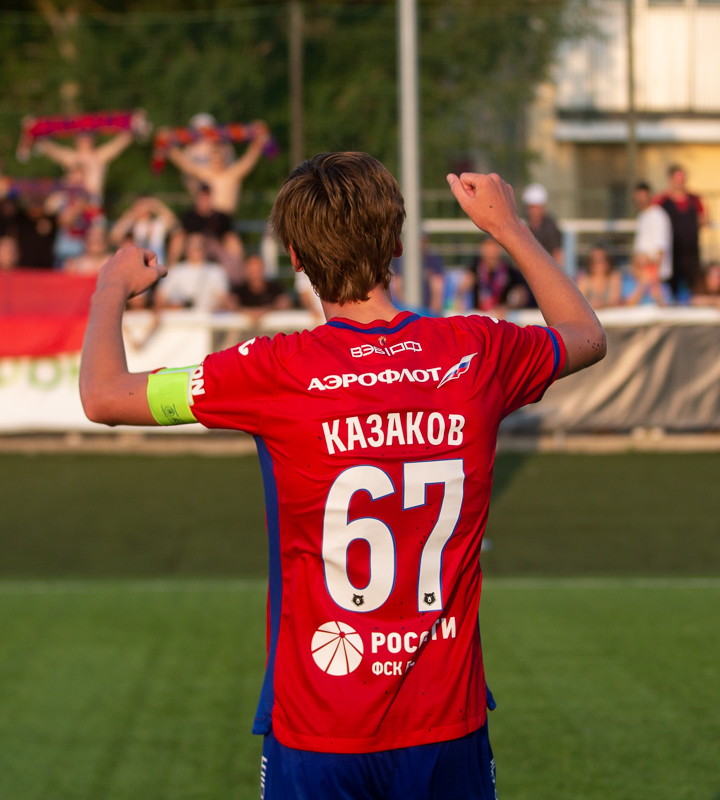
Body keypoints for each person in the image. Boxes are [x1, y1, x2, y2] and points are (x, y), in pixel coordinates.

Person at [77, 153, 606, 800]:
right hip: (446, 725)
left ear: (295, 257)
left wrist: (109, 289)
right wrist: (509, 228)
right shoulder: (476, 351)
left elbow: (104, 395)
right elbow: (584, 335)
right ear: (397, 244)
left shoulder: (274, 369)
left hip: (320, 727)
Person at [167, 121, 269, 216]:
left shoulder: (232, 174)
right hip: (208, 220)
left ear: (224, 160)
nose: (217, 162)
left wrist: (259, 140)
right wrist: (169, 148)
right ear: (210, 161)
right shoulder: (206, 174)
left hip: (226, 220)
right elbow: (186, 165)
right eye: (214, 159)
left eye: (220, 159)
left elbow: (249, 160)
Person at [31, 128, 134, 205]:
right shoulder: (71, 157)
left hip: (92, 205)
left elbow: (118, 144)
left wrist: (131, 128)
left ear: (93, 140)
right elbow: (52, 150)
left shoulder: (99, 157)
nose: (85, 140)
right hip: (71, 205)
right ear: (76, 140)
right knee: (54, 199)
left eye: (87, 137)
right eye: (82, 138)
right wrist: (35, 132)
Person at [657, 164, 708, 300]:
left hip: (692, 251)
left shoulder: (695, 199)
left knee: (695, 285)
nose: (680, 182)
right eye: (677, 179)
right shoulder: (662, 201)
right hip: (672, 252)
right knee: (671, 287)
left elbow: (703, 219)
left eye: (682, 178)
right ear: (670, 180)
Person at [155, 232, 230, 311]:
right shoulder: (175, 271)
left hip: (207, 315)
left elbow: (224, 298)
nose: (196, 249)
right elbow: (160, 298)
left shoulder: (216, 271)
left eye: (200, 245)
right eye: (192, 245)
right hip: (180, 316)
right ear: (185, 249)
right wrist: (175, 307)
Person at [468, 235, 532, 312]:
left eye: (494, 246)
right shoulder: (473, 272)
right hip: (480, 316)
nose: (491, 252)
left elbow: (523, 294)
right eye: (488, 247)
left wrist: (508, 306)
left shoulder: (511, 272)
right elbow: (460, 296)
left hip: (504, 317)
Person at [109, 196, 178, 267]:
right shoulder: (135, 224)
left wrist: (157, 206)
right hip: (139, 266)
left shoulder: (158, 223)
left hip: (157, 266)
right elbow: (115, 236)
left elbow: (174, 223)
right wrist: (132, 213)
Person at [633, 181, 672, 296]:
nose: (641, 200)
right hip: (644, 278)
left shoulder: (658, 216)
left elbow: (660, 250)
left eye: (644, 196)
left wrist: (654, 280)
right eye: (639, 197)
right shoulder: (642, 215)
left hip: (655, 280)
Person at [521, 183, 563, 266]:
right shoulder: (525, 227)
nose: (533, 211)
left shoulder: (550, 228)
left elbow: (557, 254)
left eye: (536, 207)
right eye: (531, 207)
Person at [576, 244, 622, 309]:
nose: (599, 263)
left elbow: (615, 301)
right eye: (594, 260)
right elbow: (578, 302)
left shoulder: (614, 278)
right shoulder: (584, 280)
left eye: (602, 259)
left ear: (609, 261)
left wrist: (601, 305)